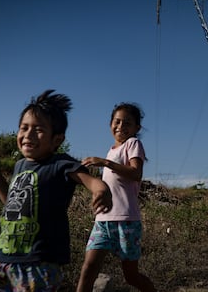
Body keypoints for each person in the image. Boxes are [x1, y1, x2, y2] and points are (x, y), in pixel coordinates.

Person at [0, 89, 112, 291]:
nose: (28, 135)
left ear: (56, 139)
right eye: (24, 128)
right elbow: (12, 203)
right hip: (2, 260)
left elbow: (91, 181)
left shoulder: (60, 164)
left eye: (38, 129)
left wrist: (101, 190)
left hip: (38, 264)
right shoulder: (19, 166)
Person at [76, 103, 156, 292]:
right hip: (102, 221)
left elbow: (136, 173)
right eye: (117, 121)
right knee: (88, 270)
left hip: (126, 221)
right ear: (110, 123)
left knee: (131, 276)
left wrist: (104, 162)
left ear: (137, 128)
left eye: (127, 123)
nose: (120, 126)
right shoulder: (111, 150)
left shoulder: (133, 144)